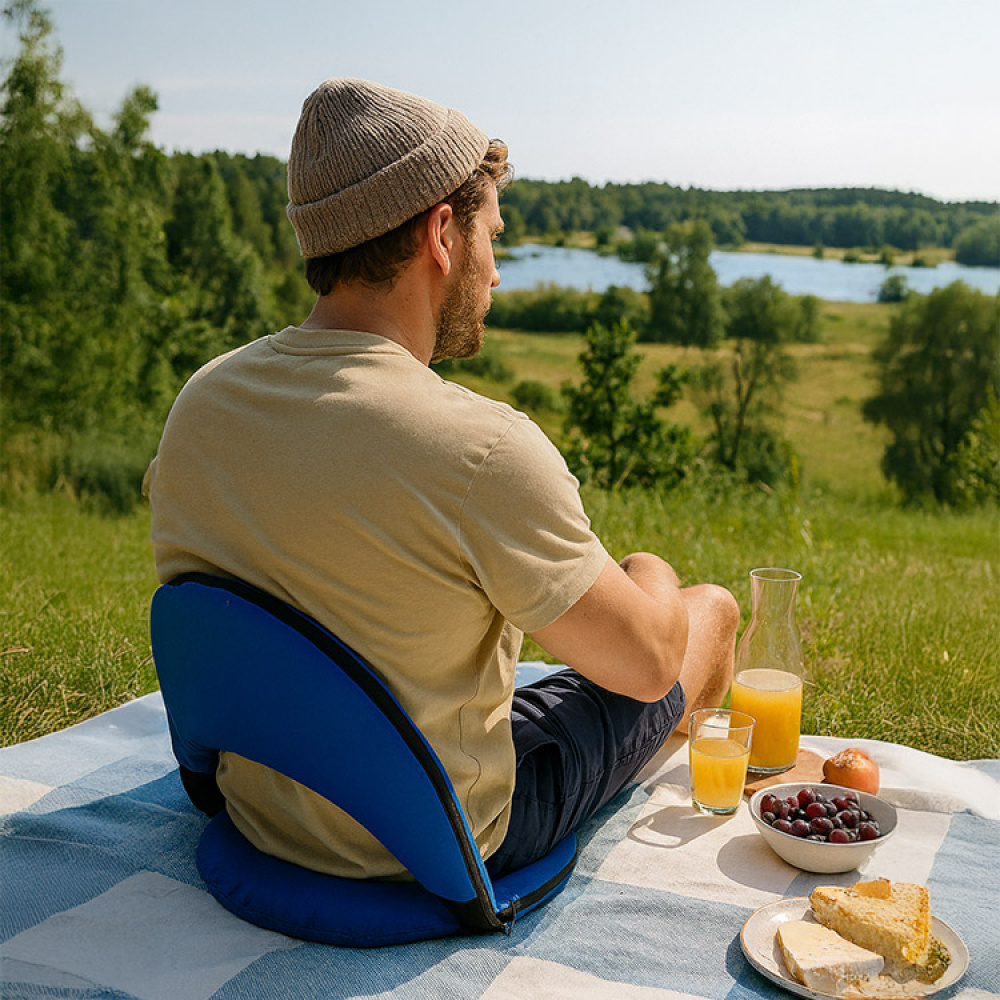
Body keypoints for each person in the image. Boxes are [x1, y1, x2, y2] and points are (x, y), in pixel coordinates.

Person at [145, 78, 738, 881]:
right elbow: (647, 667)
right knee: (707, 614)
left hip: (263, 811)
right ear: (441, 234)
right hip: (436, 842)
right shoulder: (481, 447)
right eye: (492, 234)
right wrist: (649, 575)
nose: (495, 273)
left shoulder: (202, 403)